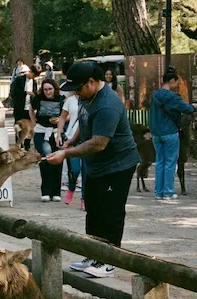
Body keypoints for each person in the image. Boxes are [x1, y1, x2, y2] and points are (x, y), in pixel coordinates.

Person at [47, 62, 140, 278]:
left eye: (78, 88)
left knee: (111, 212)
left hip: (118, 164)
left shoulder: (108, 104)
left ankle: (109, 261)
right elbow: (85, 121)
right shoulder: (87, 98)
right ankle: (93, 253)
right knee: (94, 209)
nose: (76, 93)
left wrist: (66, 154)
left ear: (91, 82)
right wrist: (71, 140)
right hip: (97, 164)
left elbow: (98, 142)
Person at [149, 72, 196, 201]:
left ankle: (158, 192)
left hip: (156, 133)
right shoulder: (173, 97)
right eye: (176, 81)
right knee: (170, 162)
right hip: (170, 132)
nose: (177, 84)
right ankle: (168, 192)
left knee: (159, 162)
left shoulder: (154, 96)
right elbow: (186, 109)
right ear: (171, 81)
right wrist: (194, 107)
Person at [30, 79, 63, 202]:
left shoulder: (61, 99)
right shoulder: (38, 98)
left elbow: (67, 115)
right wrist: (34, 123)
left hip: (56, 132)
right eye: (45, 89)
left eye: (50, 89)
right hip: (41, 132)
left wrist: (60, 120)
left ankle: (56, 191)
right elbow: (31, 109)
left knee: (57, 159)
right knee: (46, 158)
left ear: (54, 89)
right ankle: (46, 191)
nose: (48, 92)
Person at [56, 77, 84, 209]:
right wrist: (59, 133)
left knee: (87, 170)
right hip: (72, 138)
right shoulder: (70, 101)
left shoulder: (91, 101)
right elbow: (62, 117)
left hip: (87, 139)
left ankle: (84, 198)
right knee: (75, 169)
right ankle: (71, 189)